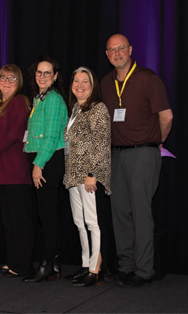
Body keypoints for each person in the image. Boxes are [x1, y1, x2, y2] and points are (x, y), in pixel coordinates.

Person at [101, 34, 173, 287]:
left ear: (130, 49)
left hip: (143, 153)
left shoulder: (147, 78)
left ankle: (144, 270)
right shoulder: (106, 82)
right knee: (119, 212)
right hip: (116, 155)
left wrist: (156, 142)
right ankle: (126, 265)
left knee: (141, 212)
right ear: (107, 55)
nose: (117, 53)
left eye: (121, 48)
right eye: (112, 50)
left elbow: (167, 116)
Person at [0, 64, 35, 278]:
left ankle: (22, 264)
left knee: (20, 220)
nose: (7, 82)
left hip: (15, 169)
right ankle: (13, 260)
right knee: (9, 220)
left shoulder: (19, 102)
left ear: (18, 82)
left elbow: (13, 135)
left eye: (12, 78)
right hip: (0, 168)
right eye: (3, 77)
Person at [63, 67, 111, 287]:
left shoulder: (98, 109)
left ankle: (95, 268)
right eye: (76, 81)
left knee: (92, 223)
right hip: (72, 174)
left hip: (88, 175)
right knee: (78, 222)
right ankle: (84, 265)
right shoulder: (75, 109)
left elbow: (101, 144)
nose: (80, 85)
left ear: (93, 86)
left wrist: (92, 174)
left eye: (85, 82)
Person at [23, 55, 68, 283]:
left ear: (56, 76)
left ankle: (47, 264)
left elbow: (51, 137)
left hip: (48, 162)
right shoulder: (40, 98)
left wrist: (37, 165)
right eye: (39, 73)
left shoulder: (54, 100)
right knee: (46, 214)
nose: (42, 76)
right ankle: (53, 261)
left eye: (47, 73)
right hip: (42, 160)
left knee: (47, 216)